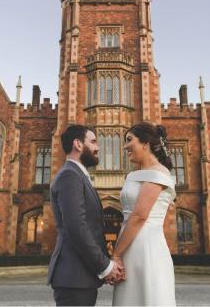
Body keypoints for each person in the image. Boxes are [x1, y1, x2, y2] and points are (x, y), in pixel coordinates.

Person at [48, 125, 125, 306]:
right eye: (93, 141)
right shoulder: (69, 175)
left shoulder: (78, 175)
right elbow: (77, 228)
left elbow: (90, 229)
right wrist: (105, 267)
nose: (98, 147)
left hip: (80, 277)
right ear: (78, 144)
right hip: (74, 278)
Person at [112, 122, 176, 306]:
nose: (125, 146)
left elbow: (139, 216)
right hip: (131, 246)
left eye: (129, 140)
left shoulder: (157, 173)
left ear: (145, 143)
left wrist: (115, 255)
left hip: (146, 248)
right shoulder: (138, 174)